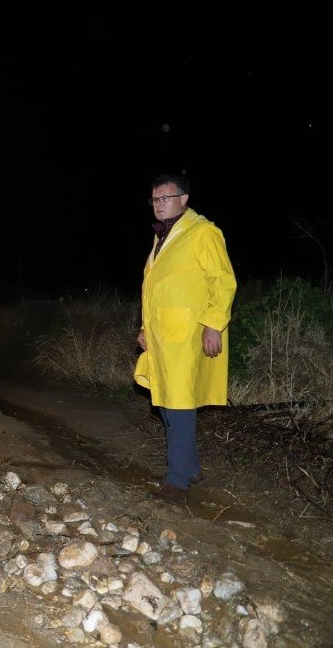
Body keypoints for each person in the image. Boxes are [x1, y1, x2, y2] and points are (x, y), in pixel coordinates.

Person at [134, 173, 237, 502]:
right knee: (165, 403)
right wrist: (144, 328)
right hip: (163, 337)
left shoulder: (203, 232)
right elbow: (156, 290)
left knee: (178, 406)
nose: (159, 204)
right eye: (154, 199)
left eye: (165, 198)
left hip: (187, 336)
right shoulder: (163, 237)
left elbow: (223, 281)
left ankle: (176, 482)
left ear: (184, 199)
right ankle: (189, 467)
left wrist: (213, 324)